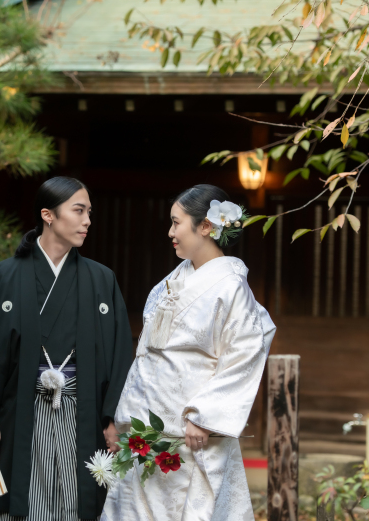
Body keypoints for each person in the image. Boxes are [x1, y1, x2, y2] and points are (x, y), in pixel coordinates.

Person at [0, 177, 133, 521]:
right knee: (22, 500)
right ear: (48, 215)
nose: (87, 221)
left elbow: (119, 354)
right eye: (78, 211)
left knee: (78, 502)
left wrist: (112, 419)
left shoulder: (101, 279)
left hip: (82, 414)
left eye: (89, 213)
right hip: (20, 412)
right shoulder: (6, 275)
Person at [101, 184, 276, 521]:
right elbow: (146, 357)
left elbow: (246, 351)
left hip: (191, 429)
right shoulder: (173, 279)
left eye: (176, 223)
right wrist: (122, 419)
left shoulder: (231, 285)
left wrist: (206, 415)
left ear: (206, 226)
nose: (170, 232)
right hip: (149, 424)